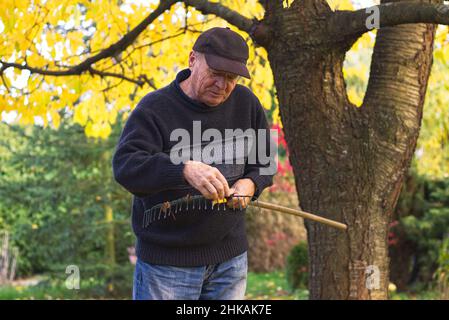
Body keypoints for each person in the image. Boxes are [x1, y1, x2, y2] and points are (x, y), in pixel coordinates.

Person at [112, 27, 275, 300]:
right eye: (215, 74)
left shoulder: (246, 103)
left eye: (231, 78)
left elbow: (266, 162)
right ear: (192, 60)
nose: (222, 85)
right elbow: (126, 166)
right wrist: (183, 169)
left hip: (230, 260)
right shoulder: (155, 108)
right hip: (166, 266)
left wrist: (251, 183)